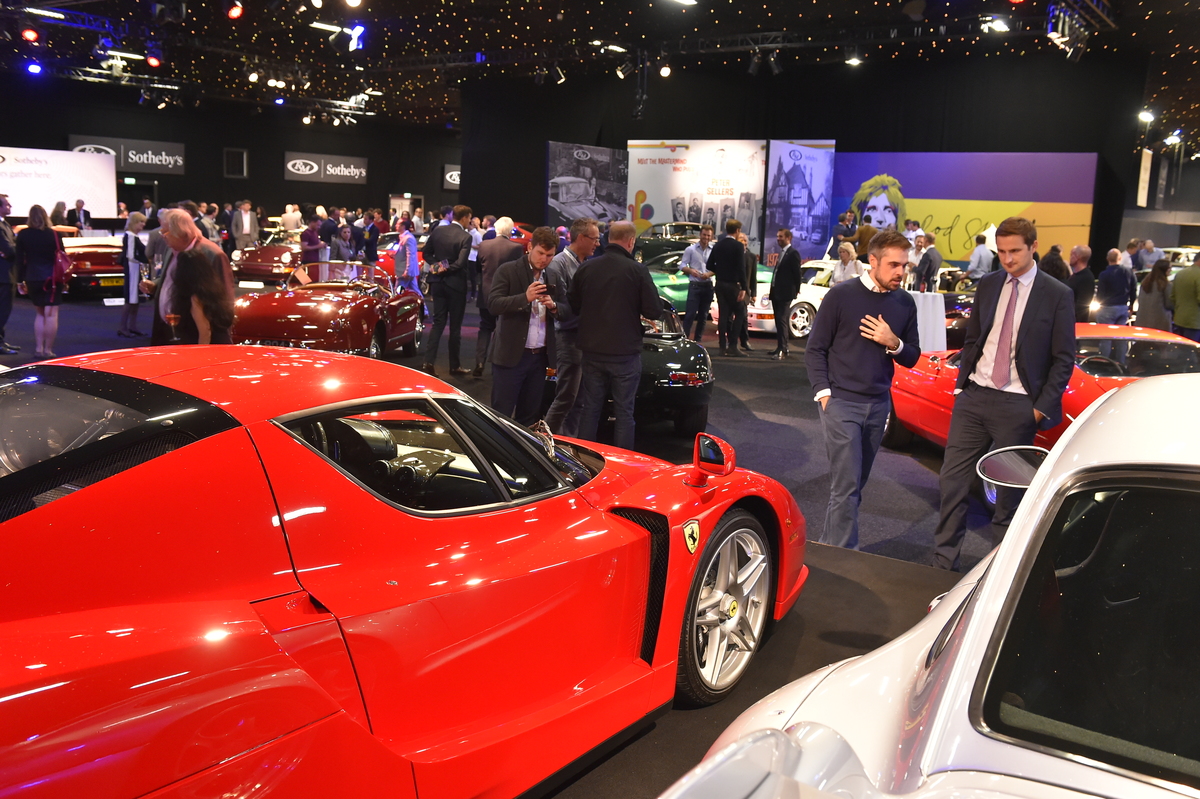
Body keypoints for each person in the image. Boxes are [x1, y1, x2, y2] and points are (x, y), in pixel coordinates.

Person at [930, 217, 1075, 571]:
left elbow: (1063, 358)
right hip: (975, 396)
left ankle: (1000, 574)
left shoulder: (1056, 293)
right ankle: (941, 564)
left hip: (1018, 405)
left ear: (1033, 247)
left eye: (1015, 252)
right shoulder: (990, 284)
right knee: (953, 485)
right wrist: (961, 383)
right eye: (1002, 251)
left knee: (1008, 497)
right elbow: (974, 338)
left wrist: (1038, 409)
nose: (1007, 259)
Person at [806, 229, 920, 550]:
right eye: (893, 265)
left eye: (904, 265)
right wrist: (824, 394)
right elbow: (816, 349)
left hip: (879, 405)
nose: (900, 272)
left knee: (855, 484)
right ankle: (845, 555)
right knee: (846, 487)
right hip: (841, 402)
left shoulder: (904, 302)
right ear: (873, 261)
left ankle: (829, 547)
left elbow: (912, 354)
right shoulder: (841, 296)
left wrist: (893, 342)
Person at [570, 220, 661, 450]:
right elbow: (653, 311)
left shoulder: (587, 268)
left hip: (591, 352)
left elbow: (572, 304)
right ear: (631, 241)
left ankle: (583, 463)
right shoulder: (637, 270)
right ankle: (623, 468)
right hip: (624, 354)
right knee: (624, 414)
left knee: (590, 410)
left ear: (608, 239)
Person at [488, 226, 567, 425]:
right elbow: (493, 305)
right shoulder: (508, 270)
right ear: (530, 247)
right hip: (510, 356)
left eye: (550, 255)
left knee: (530, 417)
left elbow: (567, 309)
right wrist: (525, 297)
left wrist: (554, 307)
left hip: (539, 359)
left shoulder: (553, 276)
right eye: (541, 253)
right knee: (501, 416)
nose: (544, 259)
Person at [138, 209, 234, 346]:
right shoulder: (171, 248)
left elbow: (225, 299)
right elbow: (172, 278)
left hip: (195, 336)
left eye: (165, 232)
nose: (162, 236)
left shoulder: (212, 254)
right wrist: (155, 285)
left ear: (182, 233)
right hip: (168, 331)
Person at [543, 217, 600, 434]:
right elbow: (562, 310)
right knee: (566, 397)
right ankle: (544, 444)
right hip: (568, 339)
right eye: (594, 239)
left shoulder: (583, 263)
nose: (597, 244)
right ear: (581, 238)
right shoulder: (558, 264)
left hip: (582, 339)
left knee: (579, 400)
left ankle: (569, 444)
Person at [421, 204, 473, 377]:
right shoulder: (465, 236)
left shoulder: (437, 231)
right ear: (465, 217)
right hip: (456, 285)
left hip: (437, 282)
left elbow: (425, 253)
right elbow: (461, 263)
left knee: (437, 323)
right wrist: (447, 268)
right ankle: (454, 366)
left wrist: (438, 267)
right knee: (455, 327)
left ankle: (428, 362)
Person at [475, 216, 524, 376]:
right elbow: (519, 273)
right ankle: (500, 365)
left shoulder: (483, 245)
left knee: (484, 328)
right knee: (504, 329)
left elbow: (477, 269)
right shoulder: (515, 248)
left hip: (485, 294)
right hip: (506, 296)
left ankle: (480, 362)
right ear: (510, 231)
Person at [15, 205, 64, 357]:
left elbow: (19, 259)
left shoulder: (23, 234)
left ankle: (38, 349)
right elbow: (62, 256)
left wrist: (19, 281)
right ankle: (48, 350)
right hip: (52, 279)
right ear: (45, 216)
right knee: (51, 314)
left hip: (32, 277)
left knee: (40, 314)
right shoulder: (54, 234)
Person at [159, 249, 235, 345]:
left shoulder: (196, 298)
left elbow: (205, 332)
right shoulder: (213, 290)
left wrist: (200, 355)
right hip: (221, 346)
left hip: (209, 350)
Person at [710, 219, 748, 356]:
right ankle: (733, 345)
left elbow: (709, 265)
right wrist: (744, 287)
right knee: (740, 313)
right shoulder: (738, 246)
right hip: (733, 285)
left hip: (719, 284)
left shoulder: (717, 245)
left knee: (723, 315)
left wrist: (720, 271)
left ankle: (722, 347)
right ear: (737, 231)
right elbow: (741, 268)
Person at [770, 228, 802, 359]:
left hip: (785, 294)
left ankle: (783, 348)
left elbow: (797, 275)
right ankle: (780, 347)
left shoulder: (793, 253)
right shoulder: (782, 253)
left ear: (788, 238)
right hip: (776, 292)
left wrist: (795, 291)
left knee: (782, 320)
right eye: (777, 236)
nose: (778, 239)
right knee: (778, 320)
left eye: (781, 236)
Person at [679, 224, 715, 341]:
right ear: (700, 235)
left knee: (703, 316)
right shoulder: (690, 250)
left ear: (711, 236)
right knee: (690, 315)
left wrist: (708, 274)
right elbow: (682, 265)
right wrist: (690, 270)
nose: (706, 237)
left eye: (708, 235)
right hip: (695, 285)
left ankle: (698, 341)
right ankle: (685, 339)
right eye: (704, 235)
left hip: (708, 285)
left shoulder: (714, 250)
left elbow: (718, 267)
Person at [117, 212, 149, 338]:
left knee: (135, 299)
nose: (143, 225)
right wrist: (146, 260)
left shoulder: (133, 236)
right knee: (130, 299)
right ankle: (124, 327)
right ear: (134, 222)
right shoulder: (130, 236)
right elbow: (131, 255)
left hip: (135, 269)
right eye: (141, 222)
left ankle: (131, 326)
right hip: (132, 270)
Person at [0, 194, 18, 354]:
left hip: (8, 272)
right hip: (3, 275)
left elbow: (12, 248)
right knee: (2, 310)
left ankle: (1, 342)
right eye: (7, 205)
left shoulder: (5, 224)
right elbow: (10, 250)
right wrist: (13, 248)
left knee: (4, 310)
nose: (10, 207)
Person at [1136, 259, 1174, 332]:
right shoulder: (1166, 285)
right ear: (1164, 270)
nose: (1171, 270)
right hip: (1160, 322)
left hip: (1142, 320)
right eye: (1169, 268)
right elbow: (1169, 304)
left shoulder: (1144, 283)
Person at [1170, 255, 1200, 342]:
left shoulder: (1180, 273)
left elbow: (1172, 297)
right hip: (1195, 322)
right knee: (1192, 351)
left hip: (1179, 319)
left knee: (1180, 349)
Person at [736, 230, 757, 352]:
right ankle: (733, 342)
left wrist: (753, 293)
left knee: (743, 317)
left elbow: (753, 276)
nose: (743, 242)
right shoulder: (733, 255)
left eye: (745, 240)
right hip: (733, 290)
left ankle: (744, 341)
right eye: (741, 239)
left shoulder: (751, 257)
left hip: (745, 293)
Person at [395, 219, 423, 303]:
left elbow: (410, 256)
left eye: (398, 224)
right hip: (406, 272)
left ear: (403, 226)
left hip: (405, 273)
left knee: (398, 293)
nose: (396, 225)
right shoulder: (404, 237)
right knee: (415, 291)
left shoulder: (408, 238)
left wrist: (407, 271)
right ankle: (424, 310)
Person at [1066, 245, 1095, 322]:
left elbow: (1082, 306)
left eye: (1071, 254)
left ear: (1077, 256)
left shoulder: (1086, 278)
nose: (1070, 257)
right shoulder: (1075, 275)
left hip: (1076, 322)